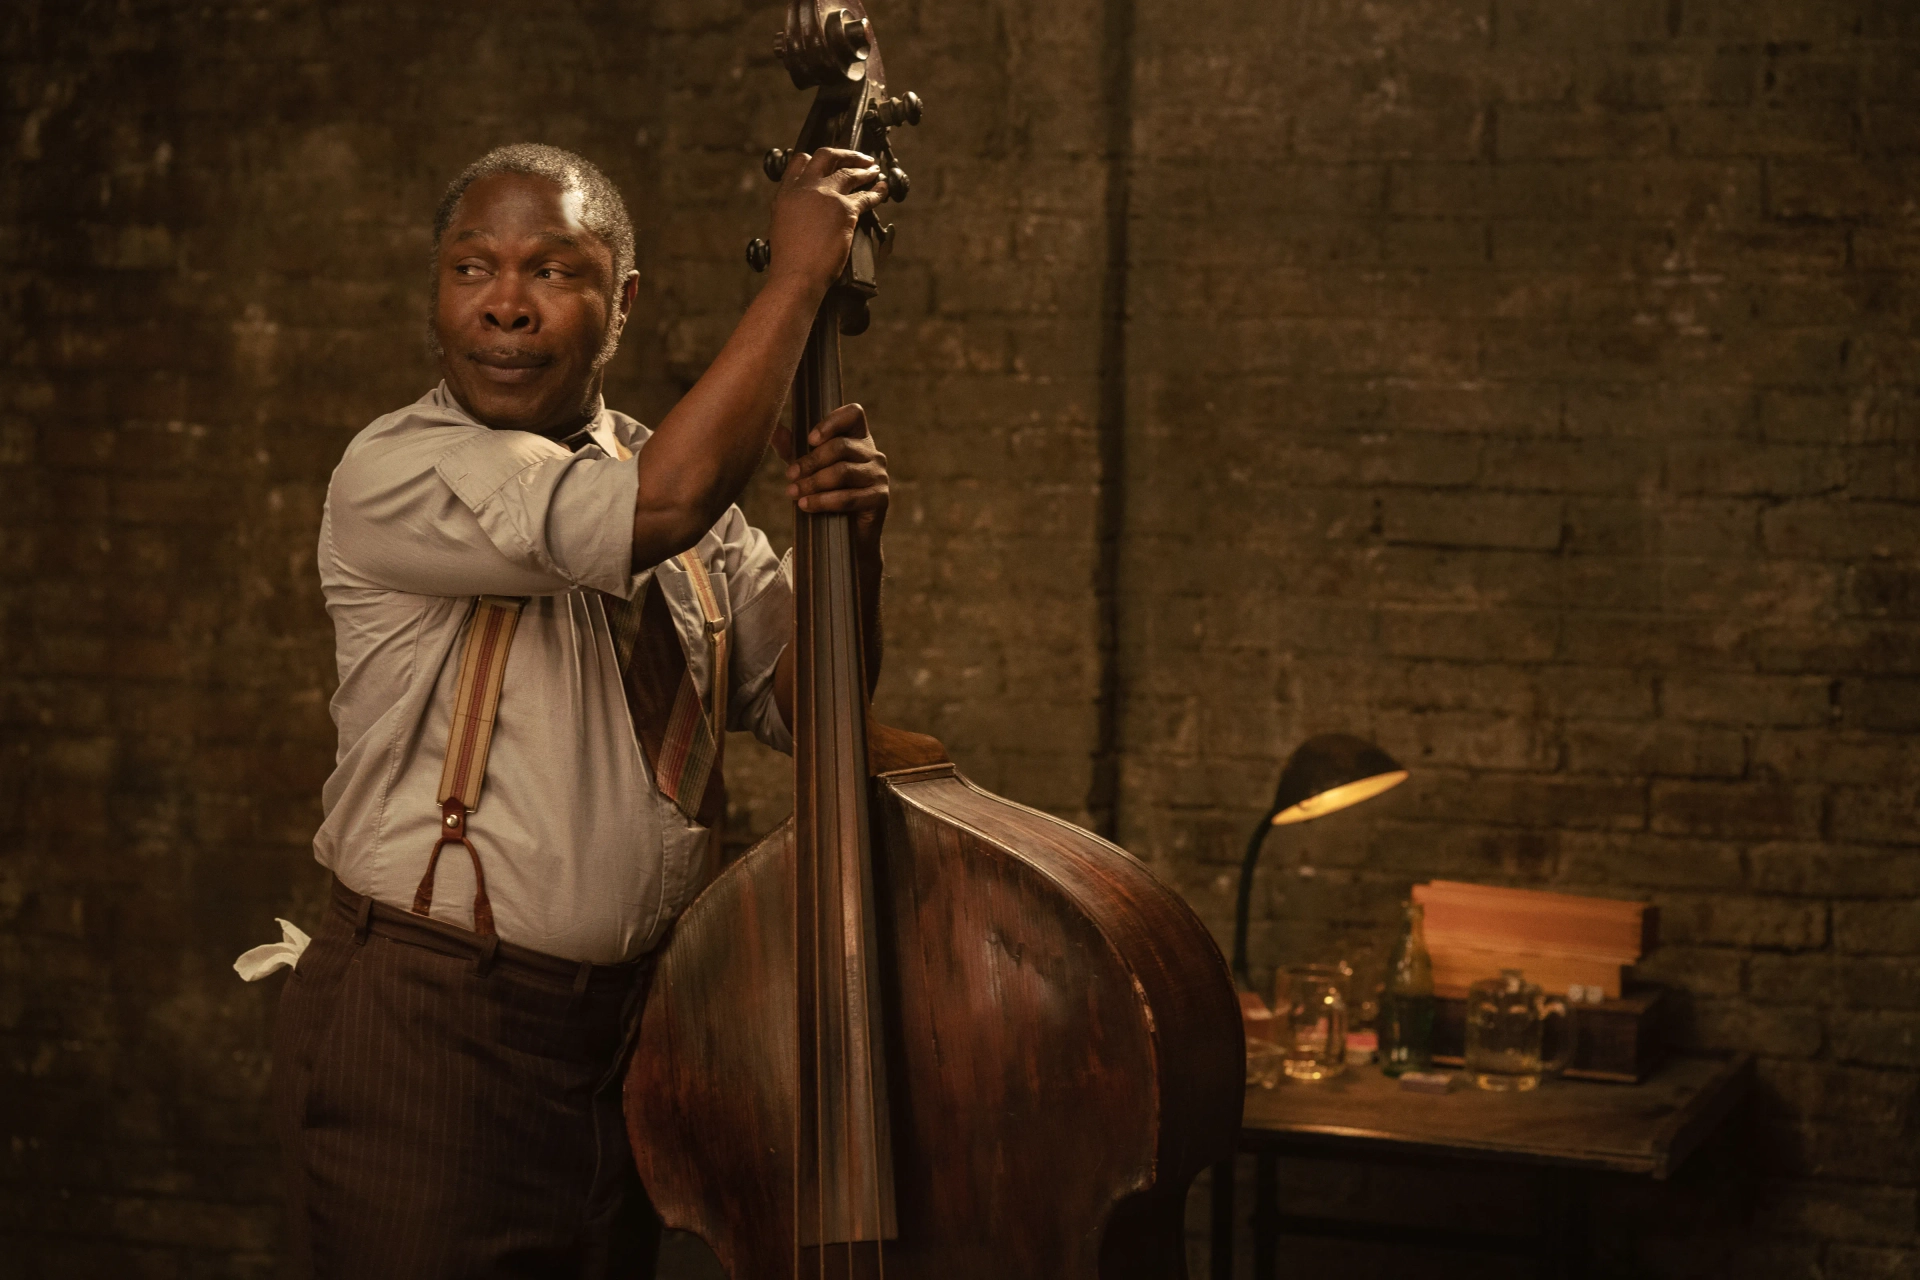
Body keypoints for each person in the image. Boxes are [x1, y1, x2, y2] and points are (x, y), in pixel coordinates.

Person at [271, 141, 893, 1279]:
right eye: (473, 268)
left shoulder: (659, 468)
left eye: (553, 270)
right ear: (439, 292)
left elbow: (814, 710)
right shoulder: (404, 466)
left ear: (622, 302)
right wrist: (798, 279)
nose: (505, 305)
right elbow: (660, 509)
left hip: (629, 1044)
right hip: (437, 1028)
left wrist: (849, 545)